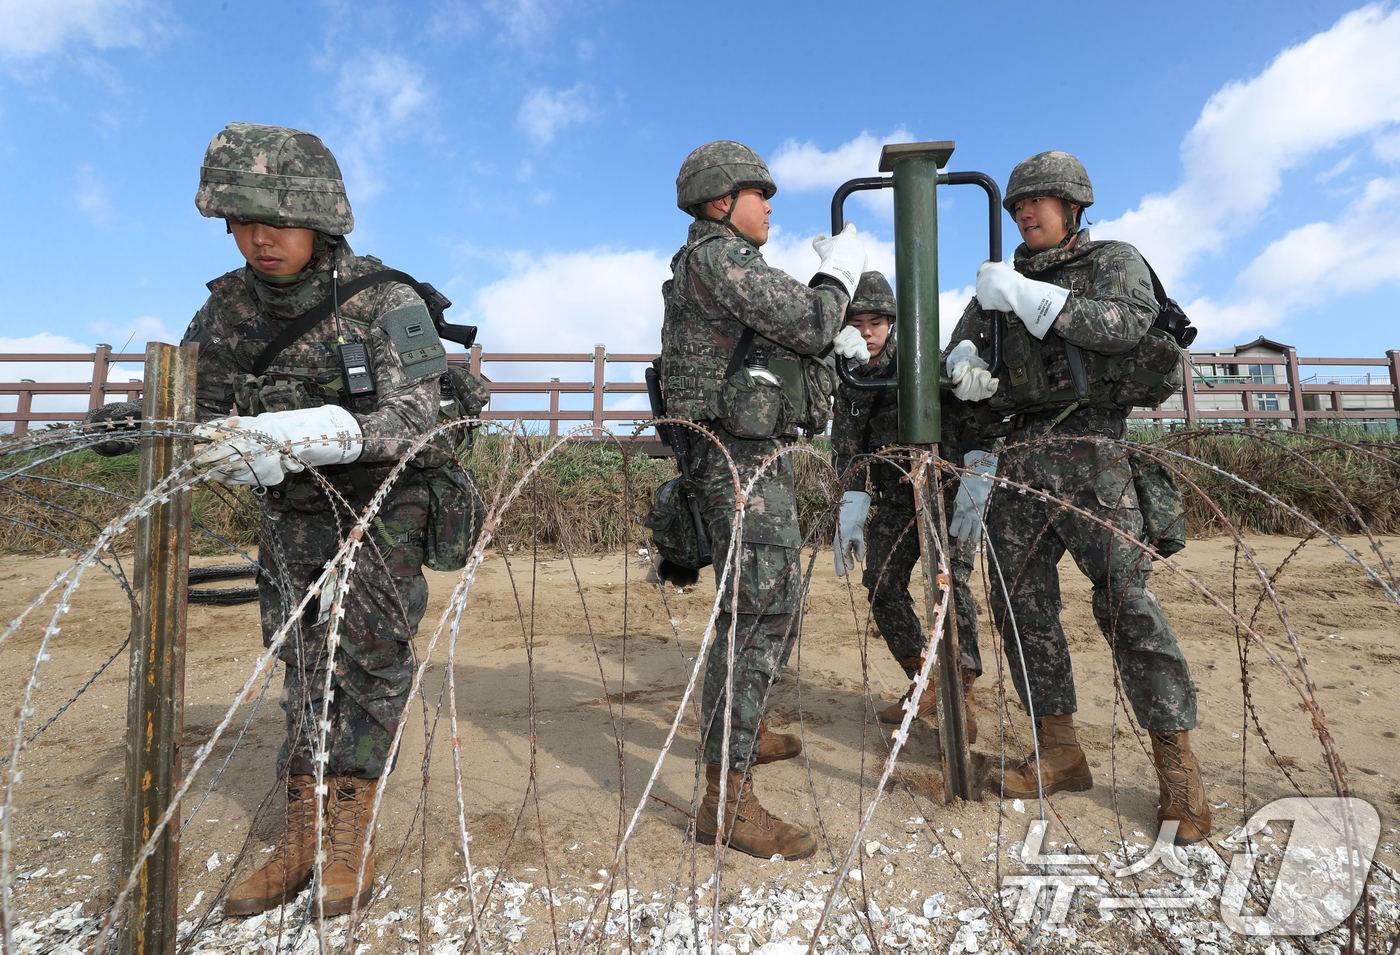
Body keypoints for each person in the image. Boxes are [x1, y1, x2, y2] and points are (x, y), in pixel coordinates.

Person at [185, 122, 457, 915]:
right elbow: (196, 405)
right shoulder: (228, 311)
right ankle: (302, 831)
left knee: (367, 662)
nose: (258, 239)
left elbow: (422, 410)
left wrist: (324, 432)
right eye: (240, 221)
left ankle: (348, 835)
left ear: (322, 218)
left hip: (381, 504)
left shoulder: (384, 298)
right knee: (302, 661)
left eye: (277, 220)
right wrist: (156, 426)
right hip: (290, 514)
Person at [942, 150, 1209, 844]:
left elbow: (1124, 325)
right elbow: (958, 351)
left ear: (1074, 208)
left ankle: (1177, 771)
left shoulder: (1111, 261)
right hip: (1021, 458)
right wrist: (963, 364)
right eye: (1019, 207)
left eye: (1040, 203)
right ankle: (1059, 747)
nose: (1027, 213)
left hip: (1094, 453)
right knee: (1021, 609)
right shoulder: (999, 284)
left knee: (1127, 602)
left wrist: (1038, 300)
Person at [661, 140, 869, 860]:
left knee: (774, 603)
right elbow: (811, 320)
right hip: (735, 460)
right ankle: (727, 797)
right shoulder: (720, 258)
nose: (771, 205)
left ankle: (746, 726)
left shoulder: (718, 262)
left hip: (749, 454)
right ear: (723, 202)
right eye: (760, 194)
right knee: (756, 614)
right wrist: (839, 274)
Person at [829, 271, 982, 739]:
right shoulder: (849, 370)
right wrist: (849, 500)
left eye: (876, 322)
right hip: (896, 496)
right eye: (857, 322)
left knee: (950, 582)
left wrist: (977, 474)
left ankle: (961, 686)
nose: (867, 332)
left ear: (892, 323)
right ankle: (925, 678)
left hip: (945, 491)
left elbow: (971, 410)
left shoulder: (921, 360)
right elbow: (847, 441)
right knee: (880, 581)